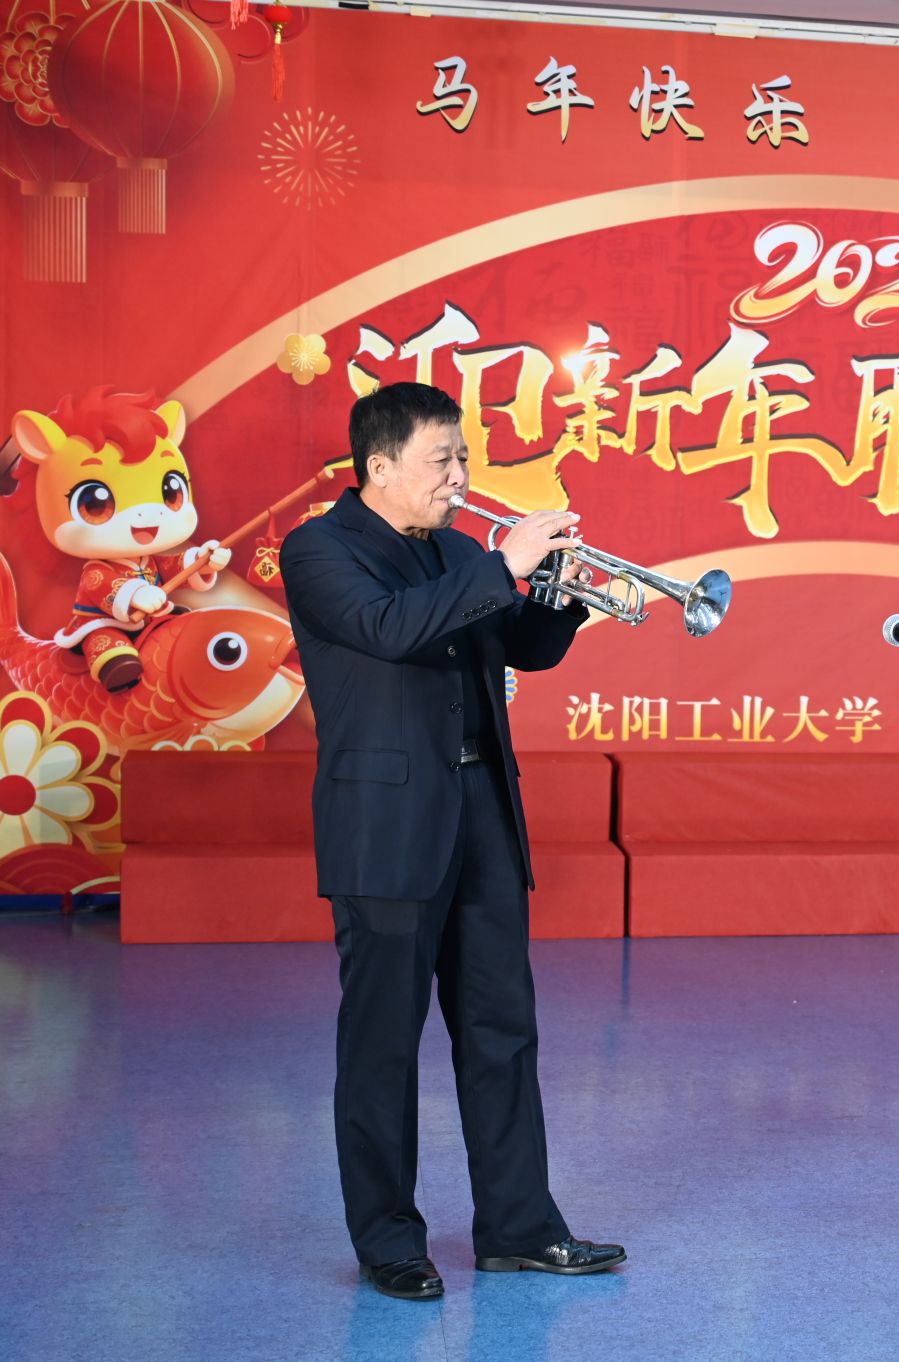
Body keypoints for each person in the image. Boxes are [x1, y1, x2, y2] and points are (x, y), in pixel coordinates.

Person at [281, 382, 625, 1300]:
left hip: (482, 811)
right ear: (379, 465)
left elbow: (522, 648)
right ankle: (389, 1241)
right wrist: (503, 566)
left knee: (503, 1030)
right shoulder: (319, 550)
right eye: (443, 460)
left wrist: (560, 594)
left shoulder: (463, 550)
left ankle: (520, 1227)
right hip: (386, 827)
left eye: (464, 458)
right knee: (383, 1044)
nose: (460, 477)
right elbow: (388, 629)